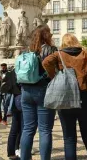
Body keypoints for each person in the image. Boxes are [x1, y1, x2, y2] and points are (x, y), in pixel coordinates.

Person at [43, 33, 87, 160]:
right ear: (76, 41)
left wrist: (54, 76)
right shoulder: (86, 53)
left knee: (69, 138)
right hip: (85, 97)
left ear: (63, 43)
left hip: (66, 97)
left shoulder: (59, 54)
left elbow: (46, 62)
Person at [20, 25, 57, 160]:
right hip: (43, 90)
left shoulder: (27, 51)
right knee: (45, 130)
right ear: (46, 35)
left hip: (26, 91)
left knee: (28, 129)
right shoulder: (51, 50)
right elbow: (57, 70)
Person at [7, 70, 22, 159]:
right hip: (24, 97)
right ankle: (21, 150)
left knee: (14, 128)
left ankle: (11, 152)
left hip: (15, 99)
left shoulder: (13, 72)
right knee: (25, 128)